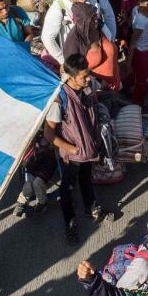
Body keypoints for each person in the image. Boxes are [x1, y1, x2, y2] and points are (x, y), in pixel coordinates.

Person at [46, 54, 105, 244]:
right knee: (67, 189)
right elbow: (50, 134)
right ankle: (69, 223)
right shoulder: (59, 99)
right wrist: (71, 149)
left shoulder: (88, 88)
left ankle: (91, 207)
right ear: (70, 77)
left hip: (87, 151)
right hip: (71, 157)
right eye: (83, 77)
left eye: (88, 74)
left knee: (86, 179)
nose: (88, 79)